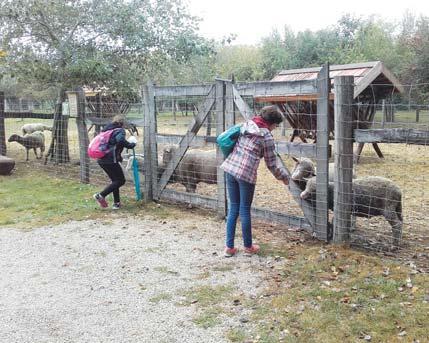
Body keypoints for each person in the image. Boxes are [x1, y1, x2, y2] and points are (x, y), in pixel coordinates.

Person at [220, 105, 289, 257]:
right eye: (276, 126)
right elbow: (272, 164)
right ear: (272, 123)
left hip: (230, 168)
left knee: (233, 208)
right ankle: (248, 247)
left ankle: (229, 247)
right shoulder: (266, 136)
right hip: (246, 174)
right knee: (244, 209)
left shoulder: (247, 125)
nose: (274, 129)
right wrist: (284, 177)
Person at [93, 115, 136, 210]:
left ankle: (116, 203)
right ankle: (100, 195)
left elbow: (111, 143)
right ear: (122, 123)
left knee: (115, 181)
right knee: (121, 180)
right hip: (110, 160)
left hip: (101, 159)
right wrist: (131, 145)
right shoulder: (119, 130)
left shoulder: (106, 130)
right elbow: (120, 141)